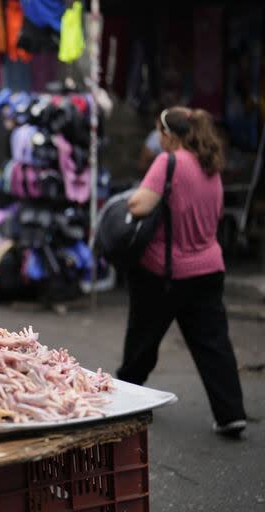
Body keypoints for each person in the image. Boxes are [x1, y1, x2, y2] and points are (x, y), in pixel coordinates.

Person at [117, 106, 247, 438]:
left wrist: (131, 198)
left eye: (159, 133)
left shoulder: (168, 162)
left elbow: (139, 205)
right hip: (209, 269)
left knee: (142, 341)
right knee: (214, 344)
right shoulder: (210, 166)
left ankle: (124, 401)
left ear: (168, 135)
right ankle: (230, 413)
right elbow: (214, 213)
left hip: (165, 272)